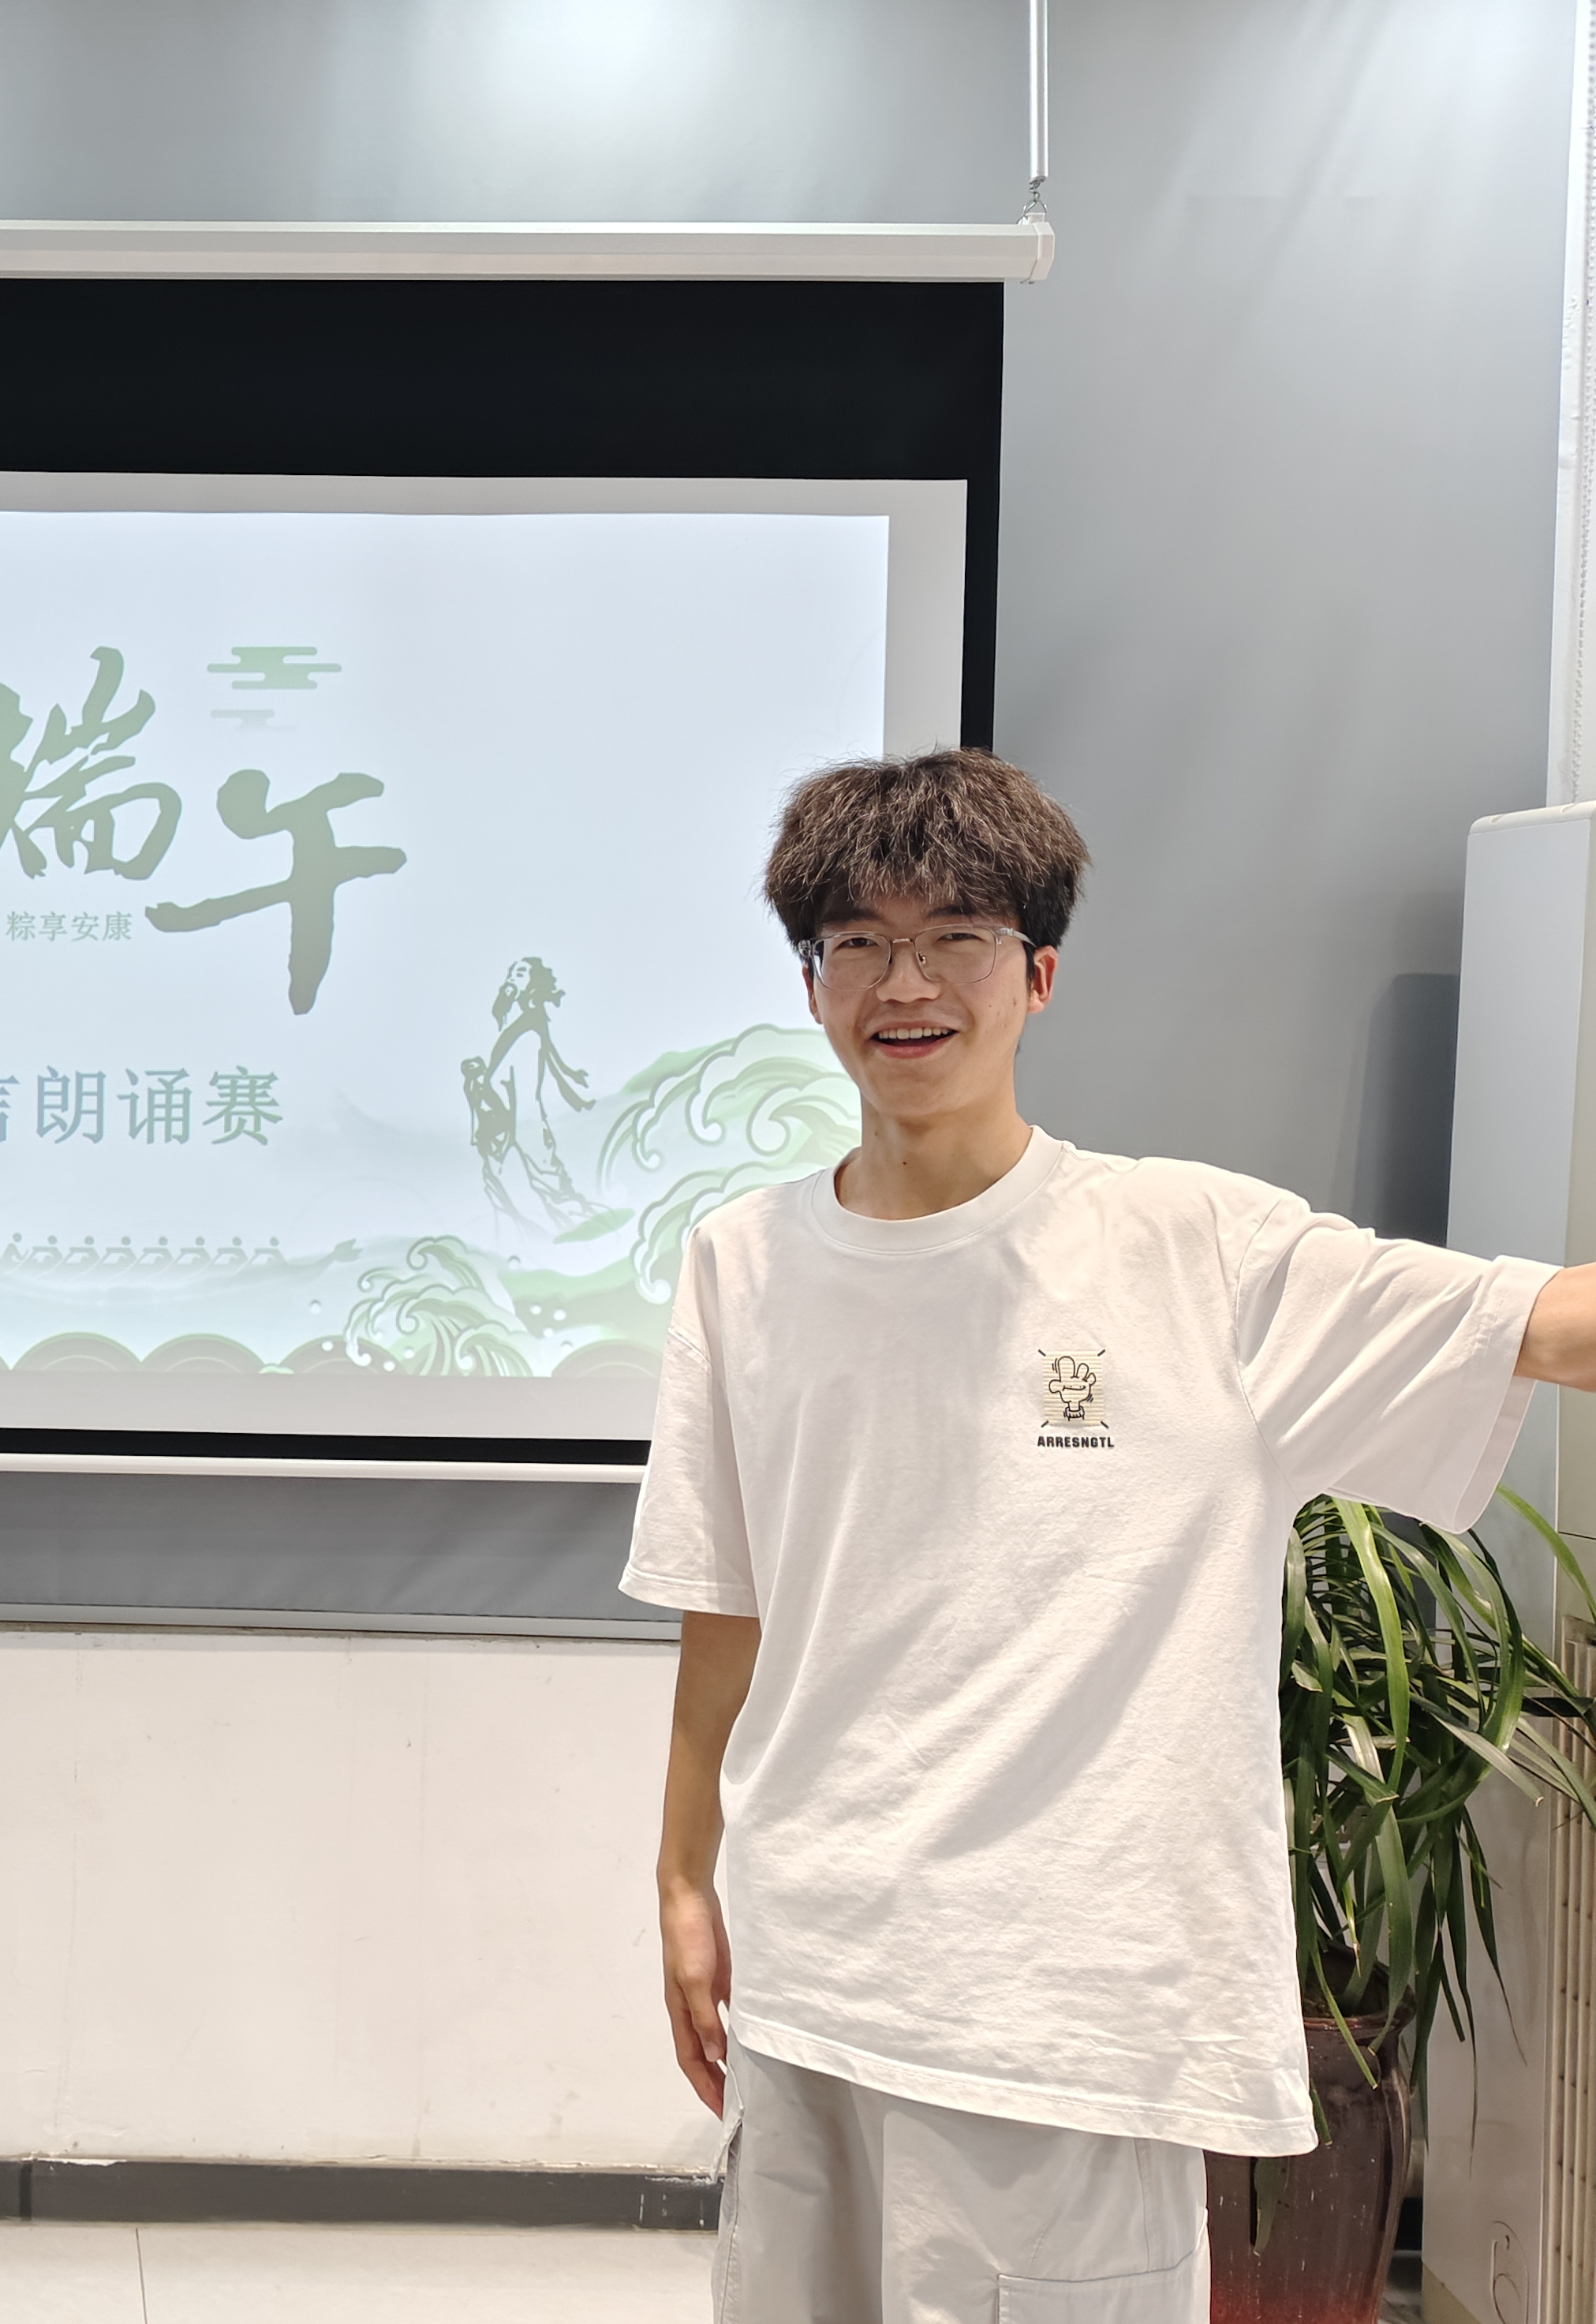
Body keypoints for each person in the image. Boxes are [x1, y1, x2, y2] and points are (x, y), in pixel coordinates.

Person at [626, 749, 1596, 2321]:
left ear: (1037, 974)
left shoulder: (1193, 1247)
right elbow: (721, 1597)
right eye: (858, 942)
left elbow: (1543, 1327)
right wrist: (684, 1879)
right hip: (812, 1976)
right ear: (810, 982)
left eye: (955, 937)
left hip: (1063, 2011)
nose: (905, 983)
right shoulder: (741, 1261)